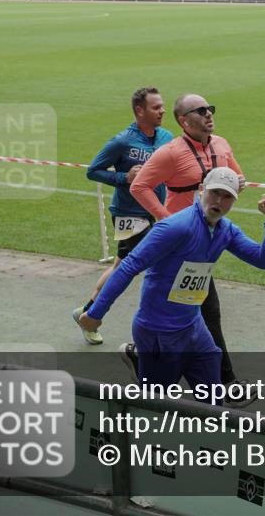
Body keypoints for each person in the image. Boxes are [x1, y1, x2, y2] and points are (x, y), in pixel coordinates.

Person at [77, 168, 265, 404]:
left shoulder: (226, 230)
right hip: (158, 333)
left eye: (226, 197)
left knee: (213, 402)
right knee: (154, 407)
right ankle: (141, 371)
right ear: (201, 190)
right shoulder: (176, 227)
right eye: (214, 192)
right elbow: (129, 266)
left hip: (194, 328)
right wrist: (95, 313)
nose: (218, 201)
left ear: (234, 201)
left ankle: (208, 439)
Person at [128, 94, 246, 393]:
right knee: (197, 310)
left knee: (195, 310)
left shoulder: (221, 144)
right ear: (184, 120)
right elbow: (139, 186)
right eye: (201, 110)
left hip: (204, 242)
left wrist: (234, 186)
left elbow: (238, 175)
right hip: (177, 244)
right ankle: (223, 382)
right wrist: (167, 219)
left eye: (211, 109)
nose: (209, 114)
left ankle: (147, 362)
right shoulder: (170, 153)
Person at [74, 87, 173, 345]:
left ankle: (87, 312)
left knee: (121, 266)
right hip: (129, 212)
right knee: (133, 266)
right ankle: (91, 315)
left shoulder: (166, 137)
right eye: (156, 107)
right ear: (140, 111)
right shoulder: (122, 141)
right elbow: (93, 171)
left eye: (162, 106)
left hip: (155, 210)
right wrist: (124, 177)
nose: (162, 110)